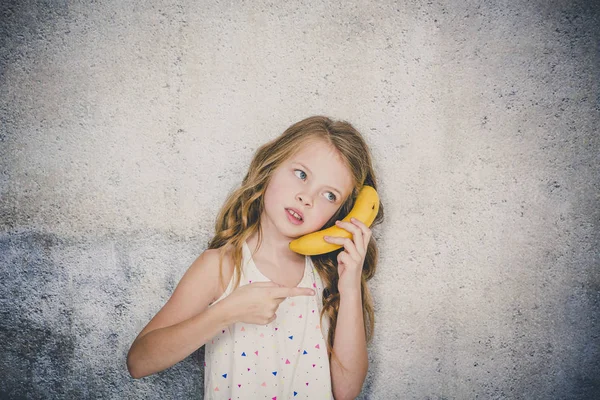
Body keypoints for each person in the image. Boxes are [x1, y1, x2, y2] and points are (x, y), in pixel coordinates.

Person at [126, 116, 384, 399]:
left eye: (329, 195)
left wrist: (349, 289)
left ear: (340, 216)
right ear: (271, 167)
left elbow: (347, 392)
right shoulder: (222, 266)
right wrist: (227, 311)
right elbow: (139, 362)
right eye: (301, 174)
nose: (307, 198)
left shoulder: (327, 278)